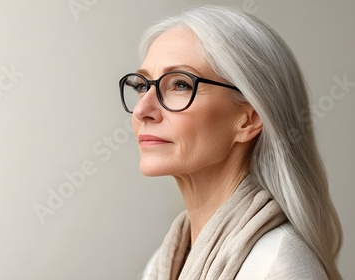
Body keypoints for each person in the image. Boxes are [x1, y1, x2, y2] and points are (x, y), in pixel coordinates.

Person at [119, 5, 343, 280]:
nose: (143, 110)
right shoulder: (162, 264)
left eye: (179, 84)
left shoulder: (279, 266)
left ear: (249, 119)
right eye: (142, 86)